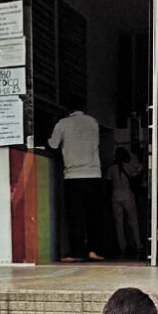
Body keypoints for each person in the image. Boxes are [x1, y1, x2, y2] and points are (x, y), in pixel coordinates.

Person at [48, 107, 104, 261]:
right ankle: (93, 250)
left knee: (75, 217)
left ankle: (77, 253)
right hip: (94, 175)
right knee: (93, 216)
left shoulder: (63, 123)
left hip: (73, 176)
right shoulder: (93, 122)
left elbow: (53, 145)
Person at [106, 148, 143, 257]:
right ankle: (138, 244)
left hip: (115, 196)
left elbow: (107, 183)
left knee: (119, 223)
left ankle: (122, 246)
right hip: (127, 195)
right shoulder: (129, 166)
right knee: (133, 221)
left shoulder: (111, 168)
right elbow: (137, 177)